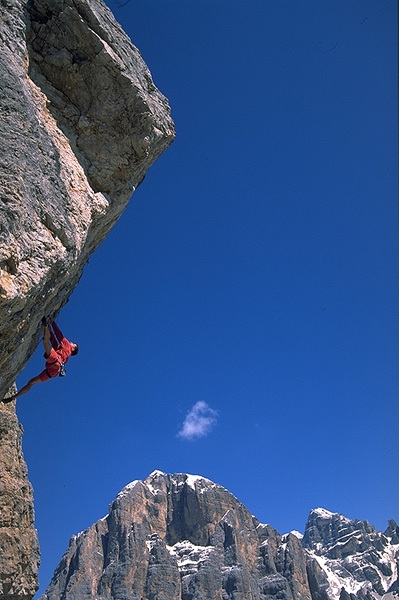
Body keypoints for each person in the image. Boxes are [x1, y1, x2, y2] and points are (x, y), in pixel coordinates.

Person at [2, 318, 78, 403]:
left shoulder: (67, 346)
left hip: (55, 361)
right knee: (31, 382)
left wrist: (52, 323)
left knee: (45, 341)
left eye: (73, 344)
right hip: (53, 372)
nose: (71, 342)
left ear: (73, 348)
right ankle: (13, 398)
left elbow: (59, 335)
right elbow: (55, 344)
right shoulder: (66, 356)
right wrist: (50, 331)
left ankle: (45, 326)